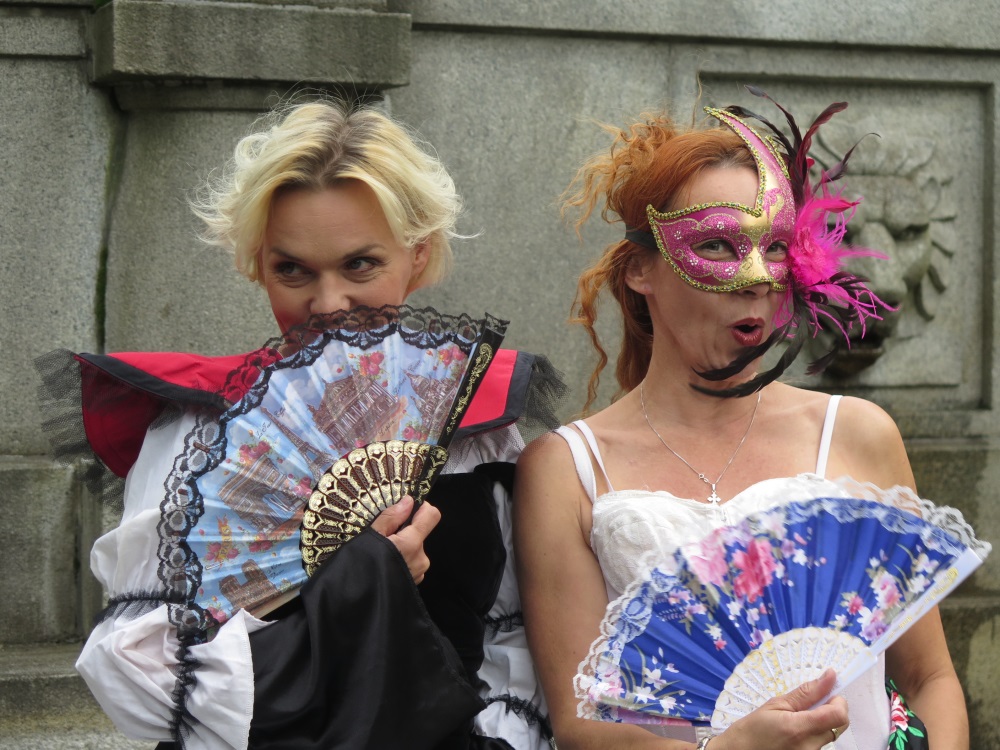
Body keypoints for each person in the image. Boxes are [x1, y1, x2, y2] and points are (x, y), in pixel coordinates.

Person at [36, 99, 557, 750]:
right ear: (258, 264)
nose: (328, 303)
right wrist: (357, 589)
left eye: (360, 264)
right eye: (293, 270)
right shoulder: (202, 433)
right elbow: (136, 671)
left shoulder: (479, 426)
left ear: (418, 257)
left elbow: (519, 639)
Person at [513, 92, 968, 750]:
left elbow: (929, 676)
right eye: (716, 244)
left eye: (776, 246)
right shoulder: (566, 469)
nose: (756, 277)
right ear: (640, 269)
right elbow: (582, 726)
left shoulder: (857, 434)